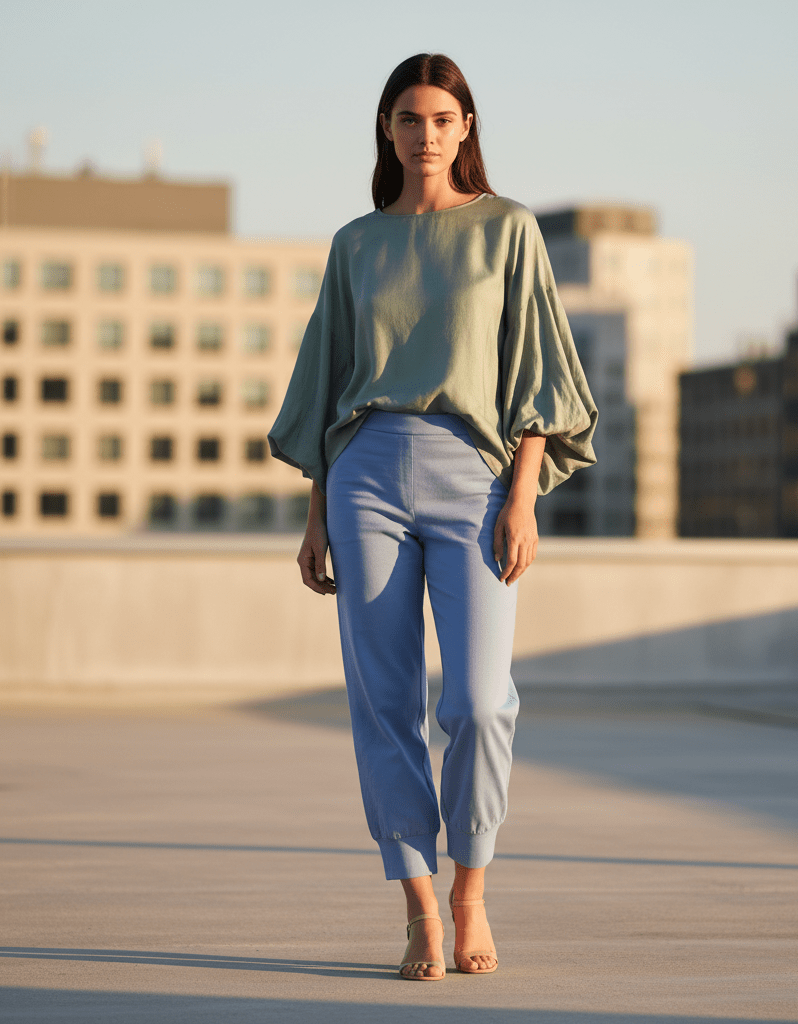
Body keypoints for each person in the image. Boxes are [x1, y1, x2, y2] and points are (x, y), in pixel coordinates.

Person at [269, 53, 597, 981]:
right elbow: (327, 379)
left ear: (466, 129)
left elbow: (538, 368)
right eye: (409, 119)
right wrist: (315, 512)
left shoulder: (507, 230)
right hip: (363, 472)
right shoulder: (357, 244)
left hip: (475, 477)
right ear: (387, 130)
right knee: (384, 704)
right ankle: (418, 905)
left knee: (480, 702)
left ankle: (471, 890)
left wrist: (524, 492)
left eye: (443, 119)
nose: (426, 135)